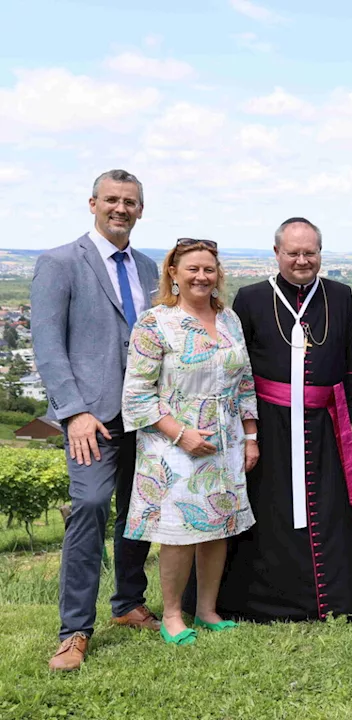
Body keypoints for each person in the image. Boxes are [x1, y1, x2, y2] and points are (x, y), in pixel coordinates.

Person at [33, 169, 161, 671]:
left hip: (145, 415)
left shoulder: (151, 268)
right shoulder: (59, 262)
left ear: (140, 210)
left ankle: (128, 604)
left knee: (139, 511)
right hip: (92, 418)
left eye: (130, 201)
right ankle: (73, 632)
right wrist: (75, 412)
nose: (121, 208)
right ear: (92, 203)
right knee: (88, 506)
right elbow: (48, 346)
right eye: (112, 199)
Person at [217, 217, 352, 622]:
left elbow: (351, 358)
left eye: (310, 252)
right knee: (269, 510)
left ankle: (334, 601)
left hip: (325, 425)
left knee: (330, 509)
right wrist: (244, 428)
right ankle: (260, 603)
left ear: (320, 253)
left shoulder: (340, 295)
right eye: (293, 253)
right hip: (268, 425)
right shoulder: (251, 297)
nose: (302, 260)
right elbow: (239, 369)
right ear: (277, 254)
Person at [121, 238, 258, 645]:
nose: (202, 276)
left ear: (218, 276)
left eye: (209, 269)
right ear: (174, 274)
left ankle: (208, 610)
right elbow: (136, 394)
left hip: (225, 439)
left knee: (217, 526)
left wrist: (250, 436)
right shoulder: (154, 322)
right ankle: (172, 615)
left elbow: (245, 381)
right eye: (193, 269)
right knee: (179, 531)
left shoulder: (229, 319)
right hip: (173, 443)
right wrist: (182, 435)